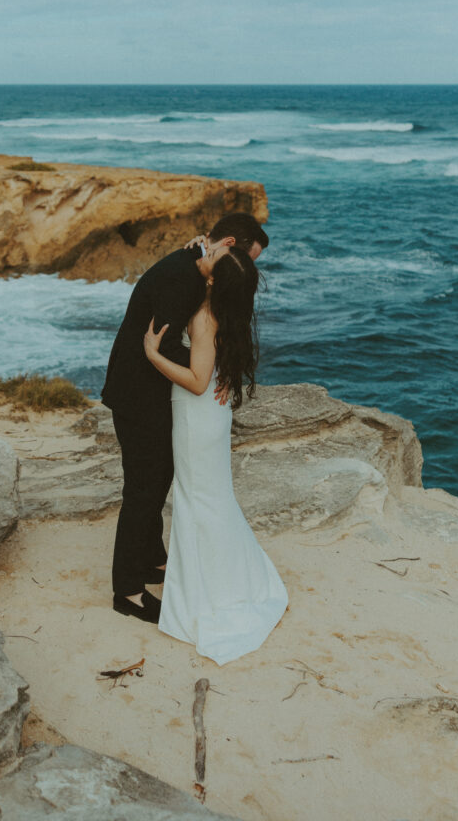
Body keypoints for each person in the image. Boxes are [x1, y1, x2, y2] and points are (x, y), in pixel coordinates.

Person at [101, 213, 269, 624]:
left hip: (154, 392)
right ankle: (127, 590)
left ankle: (152, 559)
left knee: (158, 480)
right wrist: (207, 371)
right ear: (227, 244)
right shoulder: (183, 281)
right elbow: (154, 343)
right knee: (142, 489)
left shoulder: (197, 262)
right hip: (137, 394)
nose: (248, 265)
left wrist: (214, 367)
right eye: (247, 255)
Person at [144, 246, 288, 665]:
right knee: (213, 499)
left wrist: (153, 354)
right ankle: (231, 578)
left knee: (198, 501)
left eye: (216, 255)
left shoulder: (206, 317)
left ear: (213, 280)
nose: (209, 253)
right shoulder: (231, 312)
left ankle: (209, 591)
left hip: (196, 418)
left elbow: (195, 380)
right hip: (214, 416)